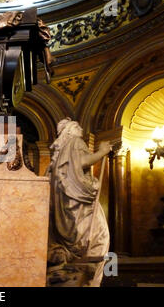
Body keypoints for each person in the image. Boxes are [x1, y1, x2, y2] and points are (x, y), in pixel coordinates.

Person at [47, 118, 111, 287]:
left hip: (66, 209)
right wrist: (102, 152)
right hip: (81, 205)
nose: (81, 130)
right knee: (101, 237)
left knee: (80, 245)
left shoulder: (57, 155)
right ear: (70, 131)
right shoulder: (75, 142)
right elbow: (83, 162)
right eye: (77, 127)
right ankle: (91, 282)